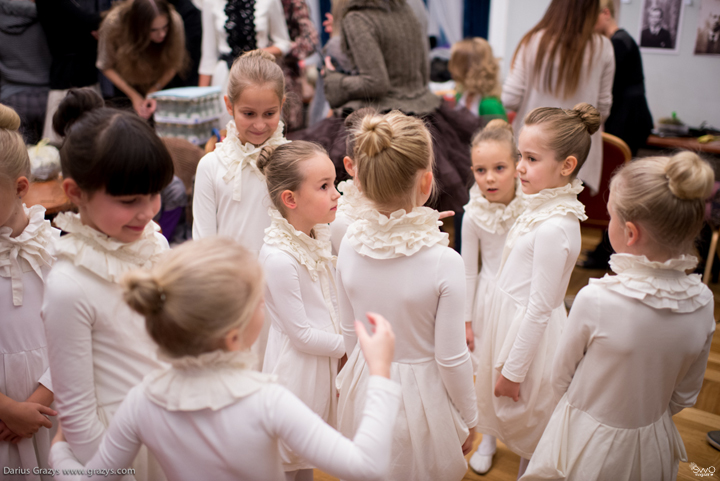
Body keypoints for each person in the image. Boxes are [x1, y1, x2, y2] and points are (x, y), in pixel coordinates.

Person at [48, 237, 402, 481]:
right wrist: (380, 372)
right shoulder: (266, 400)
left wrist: (59, 451)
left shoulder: (143, 400)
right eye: (260, 302)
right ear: (234, 336)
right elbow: (366, 466)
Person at [521, 151, 716, 480]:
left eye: (610, 216)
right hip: (651, 443)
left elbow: (560, 377)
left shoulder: (597, 298)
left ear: (629, 233)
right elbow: (685, 394)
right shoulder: (704, 301)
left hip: (583, 442)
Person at [336, 111, 479, 481]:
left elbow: (349, 330)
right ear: (427, 181)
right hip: (422, 400)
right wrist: (471, 416)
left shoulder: (349, 241)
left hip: (365, 382)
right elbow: (451, 359)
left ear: (361, 181)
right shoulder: (445, 261)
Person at [42, 90, 175, 481]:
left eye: (153, 195)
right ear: (75, 193)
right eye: (129, 200)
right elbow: (78, 416)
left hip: (171, 427)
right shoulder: (69, 284)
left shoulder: (155, 242)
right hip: (116, 447)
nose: (148, 212)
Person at [475, 103, 598, 479]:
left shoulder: (555, 227)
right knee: (512, 416)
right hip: (510, 322)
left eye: (530, 158)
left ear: (567, 165)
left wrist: (513, 371)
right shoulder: (542, 206)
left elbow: (540, 308)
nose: (520, 167)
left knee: (533, 421)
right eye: (519, 157)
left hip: (529, 339)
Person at [294, 0, 482, 222]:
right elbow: (421, 71)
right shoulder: (405, 9)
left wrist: (334, 80)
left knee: (365, 215)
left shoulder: (359, 18)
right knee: (416, 212)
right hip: (420, 114)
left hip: (379, 125)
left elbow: (376, 82)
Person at [257, 141, 345, 481]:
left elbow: (368, 227)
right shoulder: (280, 257)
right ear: (290, 200)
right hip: (298, 371)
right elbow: (302, 335)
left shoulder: (317, 232)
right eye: (324, 186)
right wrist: (351, 346)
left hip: (322, 363)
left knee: (303, 461)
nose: (336, 193)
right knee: (287, 462)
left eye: (334, 182)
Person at [462, 120, 526, 475]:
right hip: (487, 299)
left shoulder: (531, 208)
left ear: (517, 166)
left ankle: (523, 438)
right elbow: (468, 271)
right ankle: (487, 436)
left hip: (523, 300)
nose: (489, 178)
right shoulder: (473, 215)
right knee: (487, 372)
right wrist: (466, 319)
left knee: (522, 369)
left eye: (499, 168)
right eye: (481, 170)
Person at [0, 104, 59, 480]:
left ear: (21, 187)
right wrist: (6, 409)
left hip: (52, 408)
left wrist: (41, 399)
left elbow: (82, 332)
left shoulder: (56, 249)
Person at [502, 0, 614, 196]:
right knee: (565, 214)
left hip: (532, 152)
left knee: (527, 217)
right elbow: (602, 110)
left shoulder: (534, 41)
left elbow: (510, 99)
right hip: (577, 156)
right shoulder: (602, 46)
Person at [192, 49, 290, 254]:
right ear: (229, 105)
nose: (260, 124)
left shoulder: (293, 160)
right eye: (249, 113)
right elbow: (203, 242)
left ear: (282, 104)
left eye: (269, 113)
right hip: (232, 280)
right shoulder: (210, 166)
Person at [198, 0, 292, 125]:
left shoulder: (269, 2)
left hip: (260, 74)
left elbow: (283, 43)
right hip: (225, 78)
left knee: (264, 125)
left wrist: (256, 54)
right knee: (228, 130)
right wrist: (199, 101)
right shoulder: (211, 2)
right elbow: (208, 56)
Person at [97, 0, 187, 119]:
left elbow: (175, 64)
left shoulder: (174, 20)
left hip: (162, 84)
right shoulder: (114, 23)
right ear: (137, 27)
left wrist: (153, 91)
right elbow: (105, 65)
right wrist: (134, 96)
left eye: (165, 27)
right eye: (153, 30)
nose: (162, 34)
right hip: (126, 86)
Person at [36, 0, 102, 144]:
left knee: (92, 140)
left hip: (81, 75)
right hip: (70, 78)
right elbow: (88, 21)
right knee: (67, 141)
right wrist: (120, 12)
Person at [596, 0, 653, 156]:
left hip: (626, 119)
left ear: (606, 13)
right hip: (630, 117)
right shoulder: (623, 39)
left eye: (593, 18)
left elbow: (608, 87)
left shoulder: (618, 43)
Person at [0, 0, 52, 145]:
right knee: (51, 156)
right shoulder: (48, 15)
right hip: (47, 97)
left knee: (15, 156)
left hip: (11, 98)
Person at [329, 107, 375, 254]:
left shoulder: (401, 199)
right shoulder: (343, 221)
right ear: (350, 166)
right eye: (370, 165)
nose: (381, 172)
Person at [280, 0, 320, 131]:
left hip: (287, 80)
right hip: (250, 76)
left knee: (290, 137)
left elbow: (310, 40)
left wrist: (279, 50)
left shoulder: (292, 3)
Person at [449, 38, 507, 124]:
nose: (450, 67)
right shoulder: (461, 94)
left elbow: (501, 136)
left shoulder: (490, 105)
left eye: (454, 62)